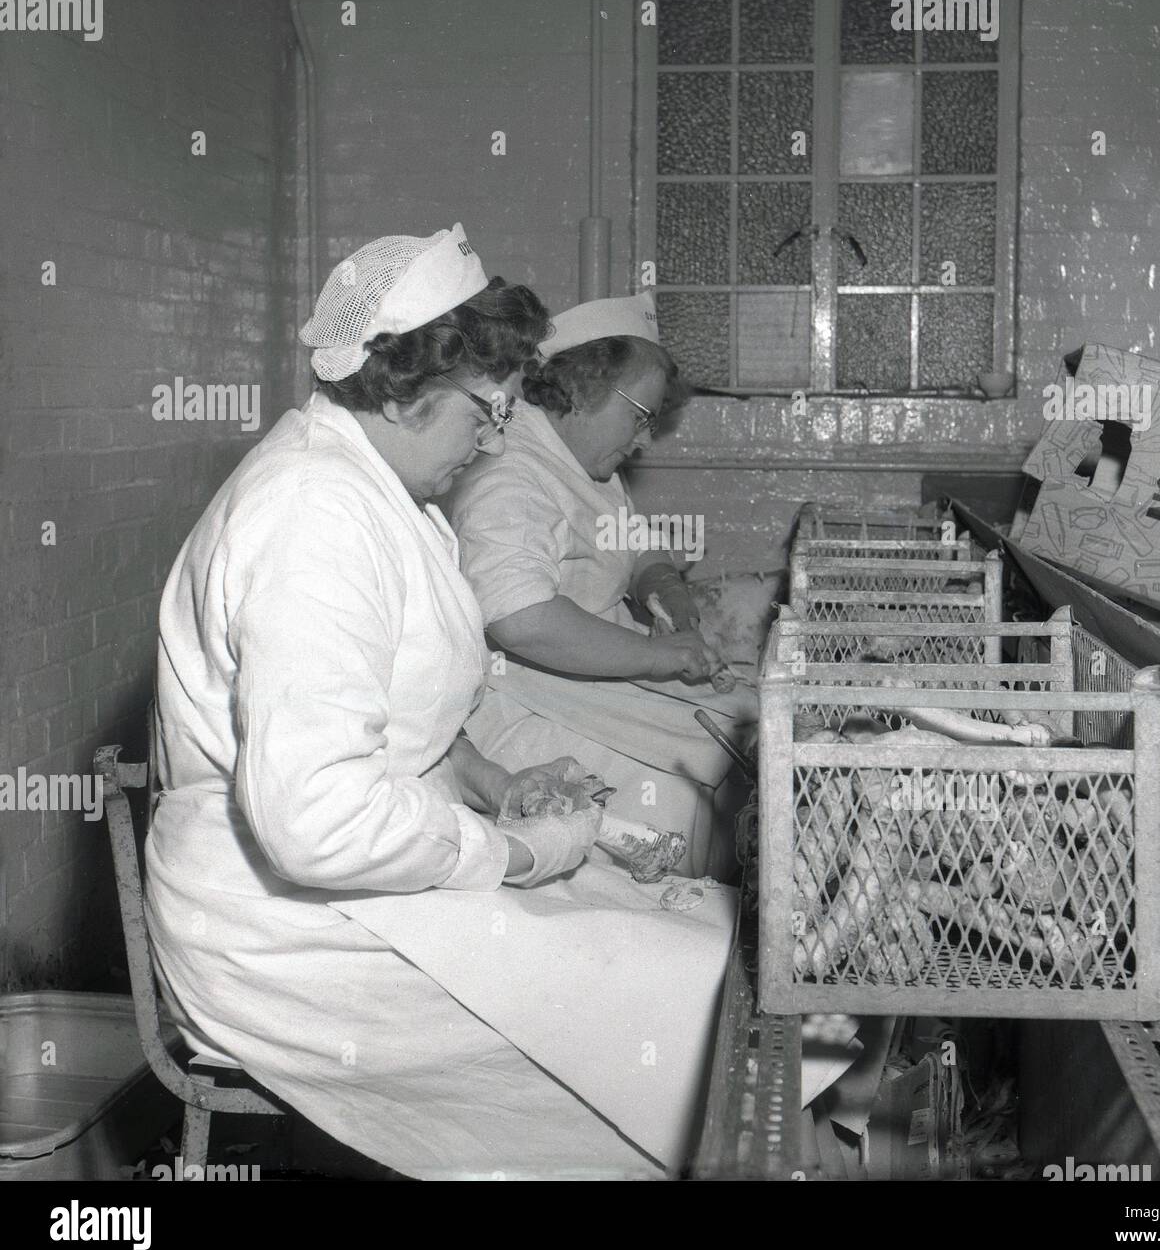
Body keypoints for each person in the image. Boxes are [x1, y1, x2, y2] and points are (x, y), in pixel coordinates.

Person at [144, 227, 659, 1178]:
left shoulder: (388, 494)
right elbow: (314, 821)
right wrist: (502, 852)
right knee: (640, 1005)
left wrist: (492, 780)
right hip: (275, 926)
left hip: (348, 871)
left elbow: (404, 712)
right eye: (486, 410)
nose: (499, 436)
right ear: (402, 382)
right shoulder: (313, 514)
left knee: (661, 935)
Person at [445, 292, 757, 880]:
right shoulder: (511, 474)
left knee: (750, 729)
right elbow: (520, 619)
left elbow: (632, 544)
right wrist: (653, 654)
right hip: (523, 706)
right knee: (701, 818)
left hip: (594, 682)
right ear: (586, 387)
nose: (644, 438)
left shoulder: (584, 461)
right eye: (641, 416)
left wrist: (662, 582)